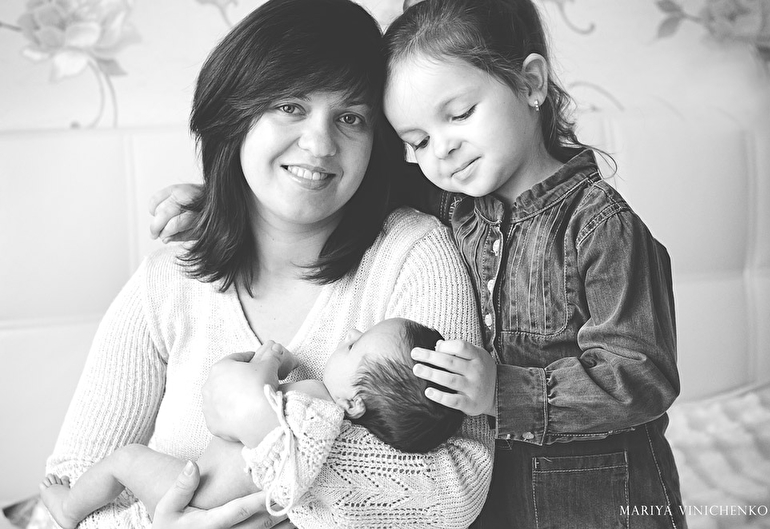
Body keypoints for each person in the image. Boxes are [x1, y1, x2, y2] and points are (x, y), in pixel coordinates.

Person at [152, 0, 686, 526]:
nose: (442, 151)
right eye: (419, 141)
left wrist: (501, 392)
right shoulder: (454, 203)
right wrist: (220, 201)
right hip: (502, 508)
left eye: (459, 115)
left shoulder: (600, 228)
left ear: (530, 83)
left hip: (601, 503)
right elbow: (330, 181)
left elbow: (644, 377)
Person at [45, 0, 493, 528]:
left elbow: (455, 488)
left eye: (351, 118)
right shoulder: (167, 284)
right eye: (290, 106)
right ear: (238, 113)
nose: (320, 144)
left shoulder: (411, 255)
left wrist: (266, 428)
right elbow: (63, 500)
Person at [41, 318, 463, 529]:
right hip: (201, 504)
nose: (349, 332)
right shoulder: (330, 429)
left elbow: (249, 406)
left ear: (353, 403)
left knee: (126, 460)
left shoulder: (318, 408)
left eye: (354, 345)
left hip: (197, 497)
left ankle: (68, 508)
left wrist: (270, 361)